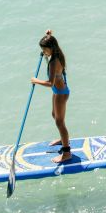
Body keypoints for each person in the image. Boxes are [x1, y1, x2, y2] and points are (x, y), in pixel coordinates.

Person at [31, 31, 72, 163]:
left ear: (51, 48)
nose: (43, 52)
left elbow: (50, 83)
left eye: (44, 49)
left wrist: (35, 80)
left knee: (60, 122)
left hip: (61, 93)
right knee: (55, 115)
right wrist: (47, 36)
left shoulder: (54, 62)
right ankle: (62, 139)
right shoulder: (56, 54)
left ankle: (66, 153)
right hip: (58, 91)